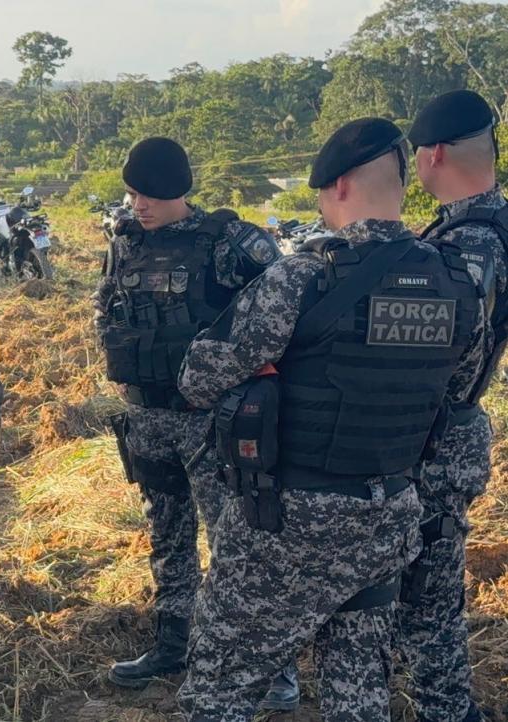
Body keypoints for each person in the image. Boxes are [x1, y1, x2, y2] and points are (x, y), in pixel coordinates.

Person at [175, 117, 488, 721]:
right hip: (391, 517)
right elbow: (456, 389)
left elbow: (199, 378)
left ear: (338, 187)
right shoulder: (459, 282)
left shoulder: (303, 276)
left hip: (289, 524)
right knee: (360, 688)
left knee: (220, 689)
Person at [95, 137, 295, 708]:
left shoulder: (232, 241)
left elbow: (284, 311)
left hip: (213, 421)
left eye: (150, 194)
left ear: (178, 191)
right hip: (149, 416)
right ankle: (173, 643)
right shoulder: (124, 243)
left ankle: (268, 667)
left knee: (237, 540)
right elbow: (106, 304)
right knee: (168, 534)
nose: (139, 204)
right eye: (132, 192)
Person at [399, 89, 506, 722]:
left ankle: (447, 707)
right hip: (445, 430)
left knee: (433, 583)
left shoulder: (473, 240)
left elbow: (449, 354)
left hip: (437, 435)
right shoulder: (477, 225)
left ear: (434, 154)